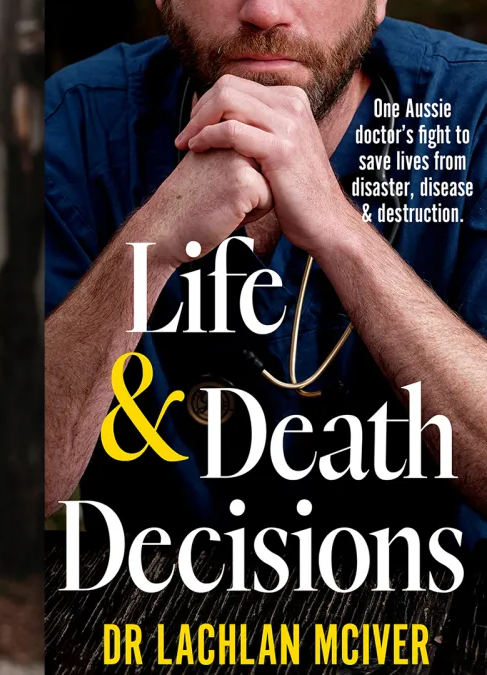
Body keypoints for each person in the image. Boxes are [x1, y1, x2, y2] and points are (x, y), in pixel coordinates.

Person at [45, 0, 487, 544]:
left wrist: (336, 226)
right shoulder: (71, 122)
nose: (265, 11)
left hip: (436, 613)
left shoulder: (475, 111)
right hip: (147, 614)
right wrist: (152, 241)